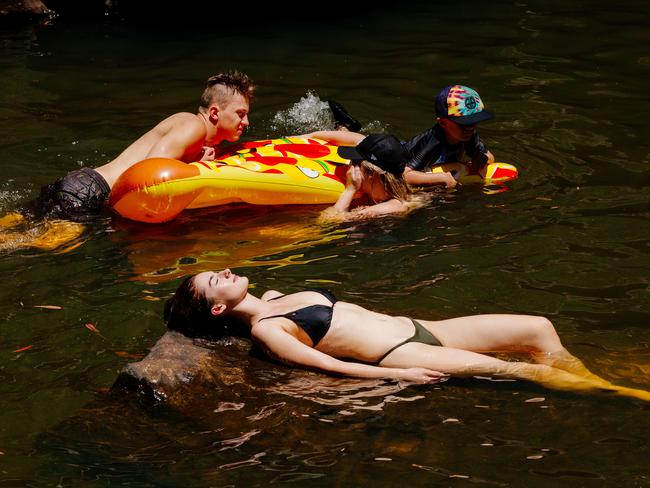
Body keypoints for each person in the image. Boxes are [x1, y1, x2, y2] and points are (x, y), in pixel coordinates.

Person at [163, 268, 650, 401]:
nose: (225, 271)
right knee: (515, 369)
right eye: (215, 281)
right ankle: (619, 392)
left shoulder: (273, 296)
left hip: (424, 327)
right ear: (219, 306)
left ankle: (585, 376)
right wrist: (400, 378)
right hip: (398, 352)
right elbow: (328, 365)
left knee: (538, 328)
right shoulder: (269, 331)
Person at [25, 71, 254, 221]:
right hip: (89, 194)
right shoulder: (194, 127)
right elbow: (147, 176)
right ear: (215, 112)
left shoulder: (186, 123)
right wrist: (197, 168)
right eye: (240, 114)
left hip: (81, 184)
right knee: (36, 246)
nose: (246, 122)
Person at [402, 85, 495, 189]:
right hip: (398, 155)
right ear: (442, 123)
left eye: (474, 122)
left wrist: (483, 157)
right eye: (464, 124)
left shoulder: (468, 135)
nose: (470, 128)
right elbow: (404, 175)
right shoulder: (432, 141)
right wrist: (441, 177)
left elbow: (489, 155)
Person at [314, 133, 422, 221]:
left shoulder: (389, 208)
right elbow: (357, 138)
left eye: (355, 162)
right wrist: (310, 136)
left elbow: (328, 220)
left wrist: (350, 189)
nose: (349, 164)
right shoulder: (390, 188)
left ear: (371, 174)